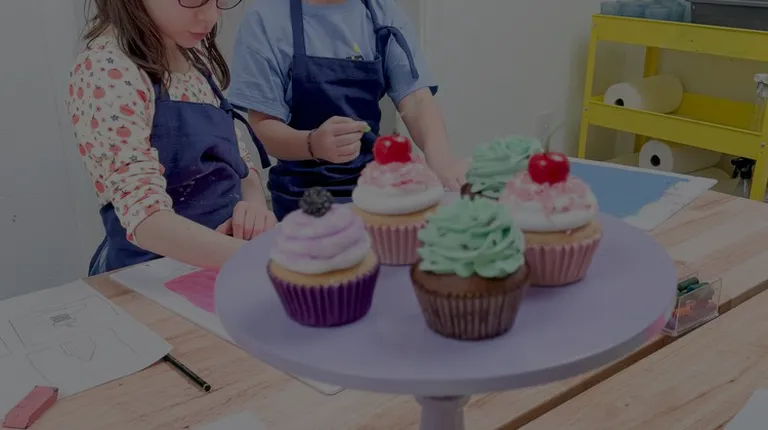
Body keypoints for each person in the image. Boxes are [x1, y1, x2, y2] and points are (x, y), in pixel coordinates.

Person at [67, 0, 275, 276]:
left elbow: (240, 162)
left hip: (226, 260)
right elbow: (146, 220)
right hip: (152, 272)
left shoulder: (193, 53)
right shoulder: (105, 69)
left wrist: (253, 209)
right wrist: (256, 258)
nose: (211, 16)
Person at [227, 0, 467, 220]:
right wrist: (312, 144)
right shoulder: (266, 19)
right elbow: (263, 126)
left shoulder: (381, 11)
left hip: (374, 187)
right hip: (301, 198)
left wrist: (441, 162)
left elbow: (416, 100)